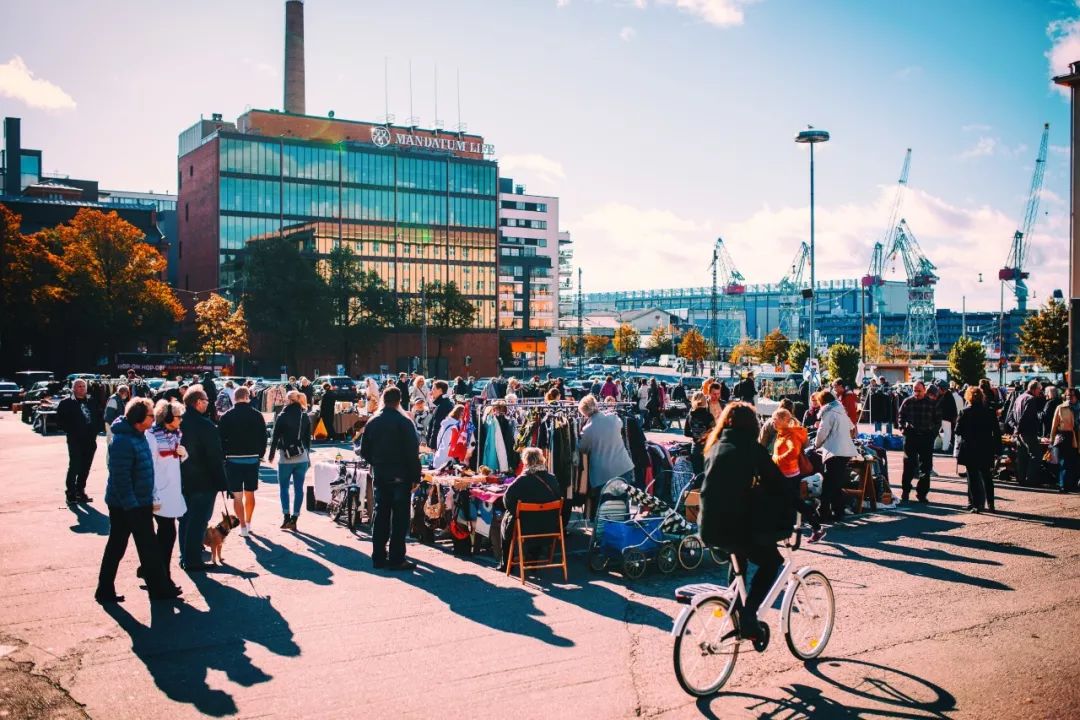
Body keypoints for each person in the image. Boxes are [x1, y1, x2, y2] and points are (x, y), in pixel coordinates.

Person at [698, 402, 791, 642]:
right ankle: (749, 617)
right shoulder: (751, 449)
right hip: (737, 526)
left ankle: (739, 614)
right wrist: (808, 511)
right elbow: (780, 485)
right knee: (772, 562)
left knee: (737, 562)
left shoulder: (714, 447)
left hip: (709, 527)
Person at [95, 397, 181, 603]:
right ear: (138, 418)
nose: (153, 419)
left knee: (146, 547)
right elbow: (120, 478)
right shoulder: (123, 441)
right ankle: (106, 589)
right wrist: (132, 506)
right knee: (120, 546)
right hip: (126, 505)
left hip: (139, 502)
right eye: (150, 415)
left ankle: (157, 588)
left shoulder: (139, 435)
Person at [359, 386, 422, 571]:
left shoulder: (373, 421)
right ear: (399, 401)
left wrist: (377, 463)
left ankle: (378, 557)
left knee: (381, 516)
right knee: (399, 519)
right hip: (400, 475)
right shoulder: (404, 422)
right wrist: (415, 476)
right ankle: (396, 558)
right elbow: (412, 452)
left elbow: (364, 451)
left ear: (383, 400)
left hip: (381, 474)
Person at [178, 388, 227, 572]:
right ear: (198, 402)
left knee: (185, 519)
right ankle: (192, 560)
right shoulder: (205, 425)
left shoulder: (179, 422)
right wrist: (222, 483)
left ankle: (185, 556)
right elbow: (214, 457)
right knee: (198, 521)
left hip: (184, 478)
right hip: (203, 480)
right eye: (206, 400)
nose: (209, 403)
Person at [143, 399, 188, 588]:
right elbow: (150, 466)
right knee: (167, 535)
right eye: (178, 417)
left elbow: (174, 463)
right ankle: (162, 577)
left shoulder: (175, 435)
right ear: (168, 417)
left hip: (173, 491)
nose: (180, 421)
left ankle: (152, 572)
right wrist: (154, 494)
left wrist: (184, 454)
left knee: (165, 536)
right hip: (160, 493)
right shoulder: (153, 437)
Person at [498, 447, 565, 571]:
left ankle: (506, 563)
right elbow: (558, 497)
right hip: (548, 526)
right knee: (537, 517)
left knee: (506, 520)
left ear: (526, 462)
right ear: (541, 460)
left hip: (525, 526)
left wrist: (516, 512)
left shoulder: (521, 480)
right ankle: (533, 559)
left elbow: (507, 501)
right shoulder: (552, 478)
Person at [218, 386, 267, 537]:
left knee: (237, 496)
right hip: (252, 458)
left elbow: (220, 438)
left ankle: (243, 526)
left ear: (235, 398)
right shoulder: (257, 415)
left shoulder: (226, 416)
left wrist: (224, 454)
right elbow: (263, 437)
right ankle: (249, 521)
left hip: (233, 459)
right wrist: (260, 454)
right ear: (247, 397)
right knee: (250, 493)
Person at [772, 408, 825, 542]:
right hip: (786, 474)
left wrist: (776, 460)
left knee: (793, 502)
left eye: (775, 419)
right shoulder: (782, 433)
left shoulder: (791, 435)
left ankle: (813, 524)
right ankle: (815, 525)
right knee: (794, 502)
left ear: (784, 420)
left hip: (789, 475)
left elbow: (793, 452)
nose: (773, 422)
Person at [577, 395, 635, 515]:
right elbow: (619, 427)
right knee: (622, 503)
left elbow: (582, 448)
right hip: (623, 467)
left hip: (602, 473)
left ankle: (605, 531)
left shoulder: (588, 429)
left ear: (584, 412)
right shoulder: (613, 418)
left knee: (605, 507)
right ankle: (623, 528)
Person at [269, 390, 311, 531]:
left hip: (285, 457)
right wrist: (308, 455)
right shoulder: (304, 416)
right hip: (302, 456)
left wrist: (271, 454)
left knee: (284, 488)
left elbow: (275, 437)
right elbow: (308, 440)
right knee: (299, 489)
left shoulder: (282, 416)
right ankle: (295, 518)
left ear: (290, 401)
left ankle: (286, 516)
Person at [814, 390, 858, 522]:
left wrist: (817, 444)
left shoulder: (828, 413)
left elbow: (822, 432)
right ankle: (838, 511)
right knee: (836, 483)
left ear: (823, 402)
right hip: (846, 451)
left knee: (828, 483)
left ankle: (824, 512)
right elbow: (853, 429)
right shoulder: (841, 411)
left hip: (834, 451)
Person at [57, 378, 103, 504]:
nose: (82, 388)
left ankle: (80, 490)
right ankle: (70, 492)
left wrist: (96, 430)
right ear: (73, 388)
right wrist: (72, 430)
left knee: (86, 466)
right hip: (75, 440)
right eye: (79, 386)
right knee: (75, 465)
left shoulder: (92, 401)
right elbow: (60, 421)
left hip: (90, 440)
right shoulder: (66, 403)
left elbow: (99, 417)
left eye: (83, 386)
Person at [955, 387, 1001, 512]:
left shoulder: (965, 412)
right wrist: (998, 450)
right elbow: (997, 432)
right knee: (987, 476)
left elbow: (957, 430)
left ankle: (975, 503)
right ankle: (990, 503)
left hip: (970, 447)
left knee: (972, 477)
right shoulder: (990, 412)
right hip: (986, 447)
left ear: (968, 397)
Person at [898, 380, 941, 503]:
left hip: (926, 436)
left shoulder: (932, 404)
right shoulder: (908, 402)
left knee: (926, 467)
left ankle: (922, 494)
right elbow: (900, 416)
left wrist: (933, 433)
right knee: (908, 465)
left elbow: (938, 420)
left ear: (924, 390)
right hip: (911, 436)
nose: (916, 393)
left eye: (919, 390)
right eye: (915, 390)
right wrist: (903, 429)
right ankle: (905, 491)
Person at [1006, 380, 1045, 487]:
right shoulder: (1030, 399)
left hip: (1019, 432)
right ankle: (1030, 479)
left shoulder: (1019, 397)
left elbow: (1010, 416)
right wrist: (1018, 429)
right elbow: (1026, 416)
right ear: (1034, 389)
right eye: (1039, 390)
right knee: (1036, 455)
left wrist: (1015, 428)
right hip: (1027, 432)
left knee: (1022, 456)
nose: (1040, 392)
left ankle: (1021, 478)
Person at [1049, 401, 1079, 493]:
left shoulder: (1077, 408)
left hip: (1076, 436)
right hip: (1065, 436)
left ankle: (1070, 484)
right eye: (1067, 396)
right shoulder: (1061, 408)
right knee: (1064, 462)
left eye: (1072, 395)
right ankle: (1063, 485)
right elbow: (1054, 424)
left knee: (1074, 462)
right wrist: (1052, 438)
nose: (1069, 398)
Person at [684, 391, 715, 476]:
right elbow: (715, 431)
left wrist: (695, 434)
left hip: (695, 448)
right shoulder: (708, 416)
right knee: (708, 474)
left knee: (697, 474)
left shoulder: (690, 415)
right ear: (705, 401)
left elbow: (686, 433)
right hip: (707, 447)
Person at [425, 380, 454, 449]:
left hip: (439, 446)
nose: (431, 392)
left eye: (433, 389)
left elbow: (436, 428)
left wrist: (432, 447)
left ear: (440, 390)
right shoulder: (445, 403)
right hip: (442, 445)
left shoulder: (442, 406)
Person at [104, 384, 131, 452]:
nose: (127, 395)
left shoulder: (119, 399)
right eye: (126, 393)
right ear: (123, 392)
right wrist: (115, 427)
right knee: (111, 446)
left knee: (114, 446)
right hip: (112, 426)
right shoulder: (114, 399)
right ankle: (109, 462)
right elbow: (109, 416)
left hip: (114, 425)